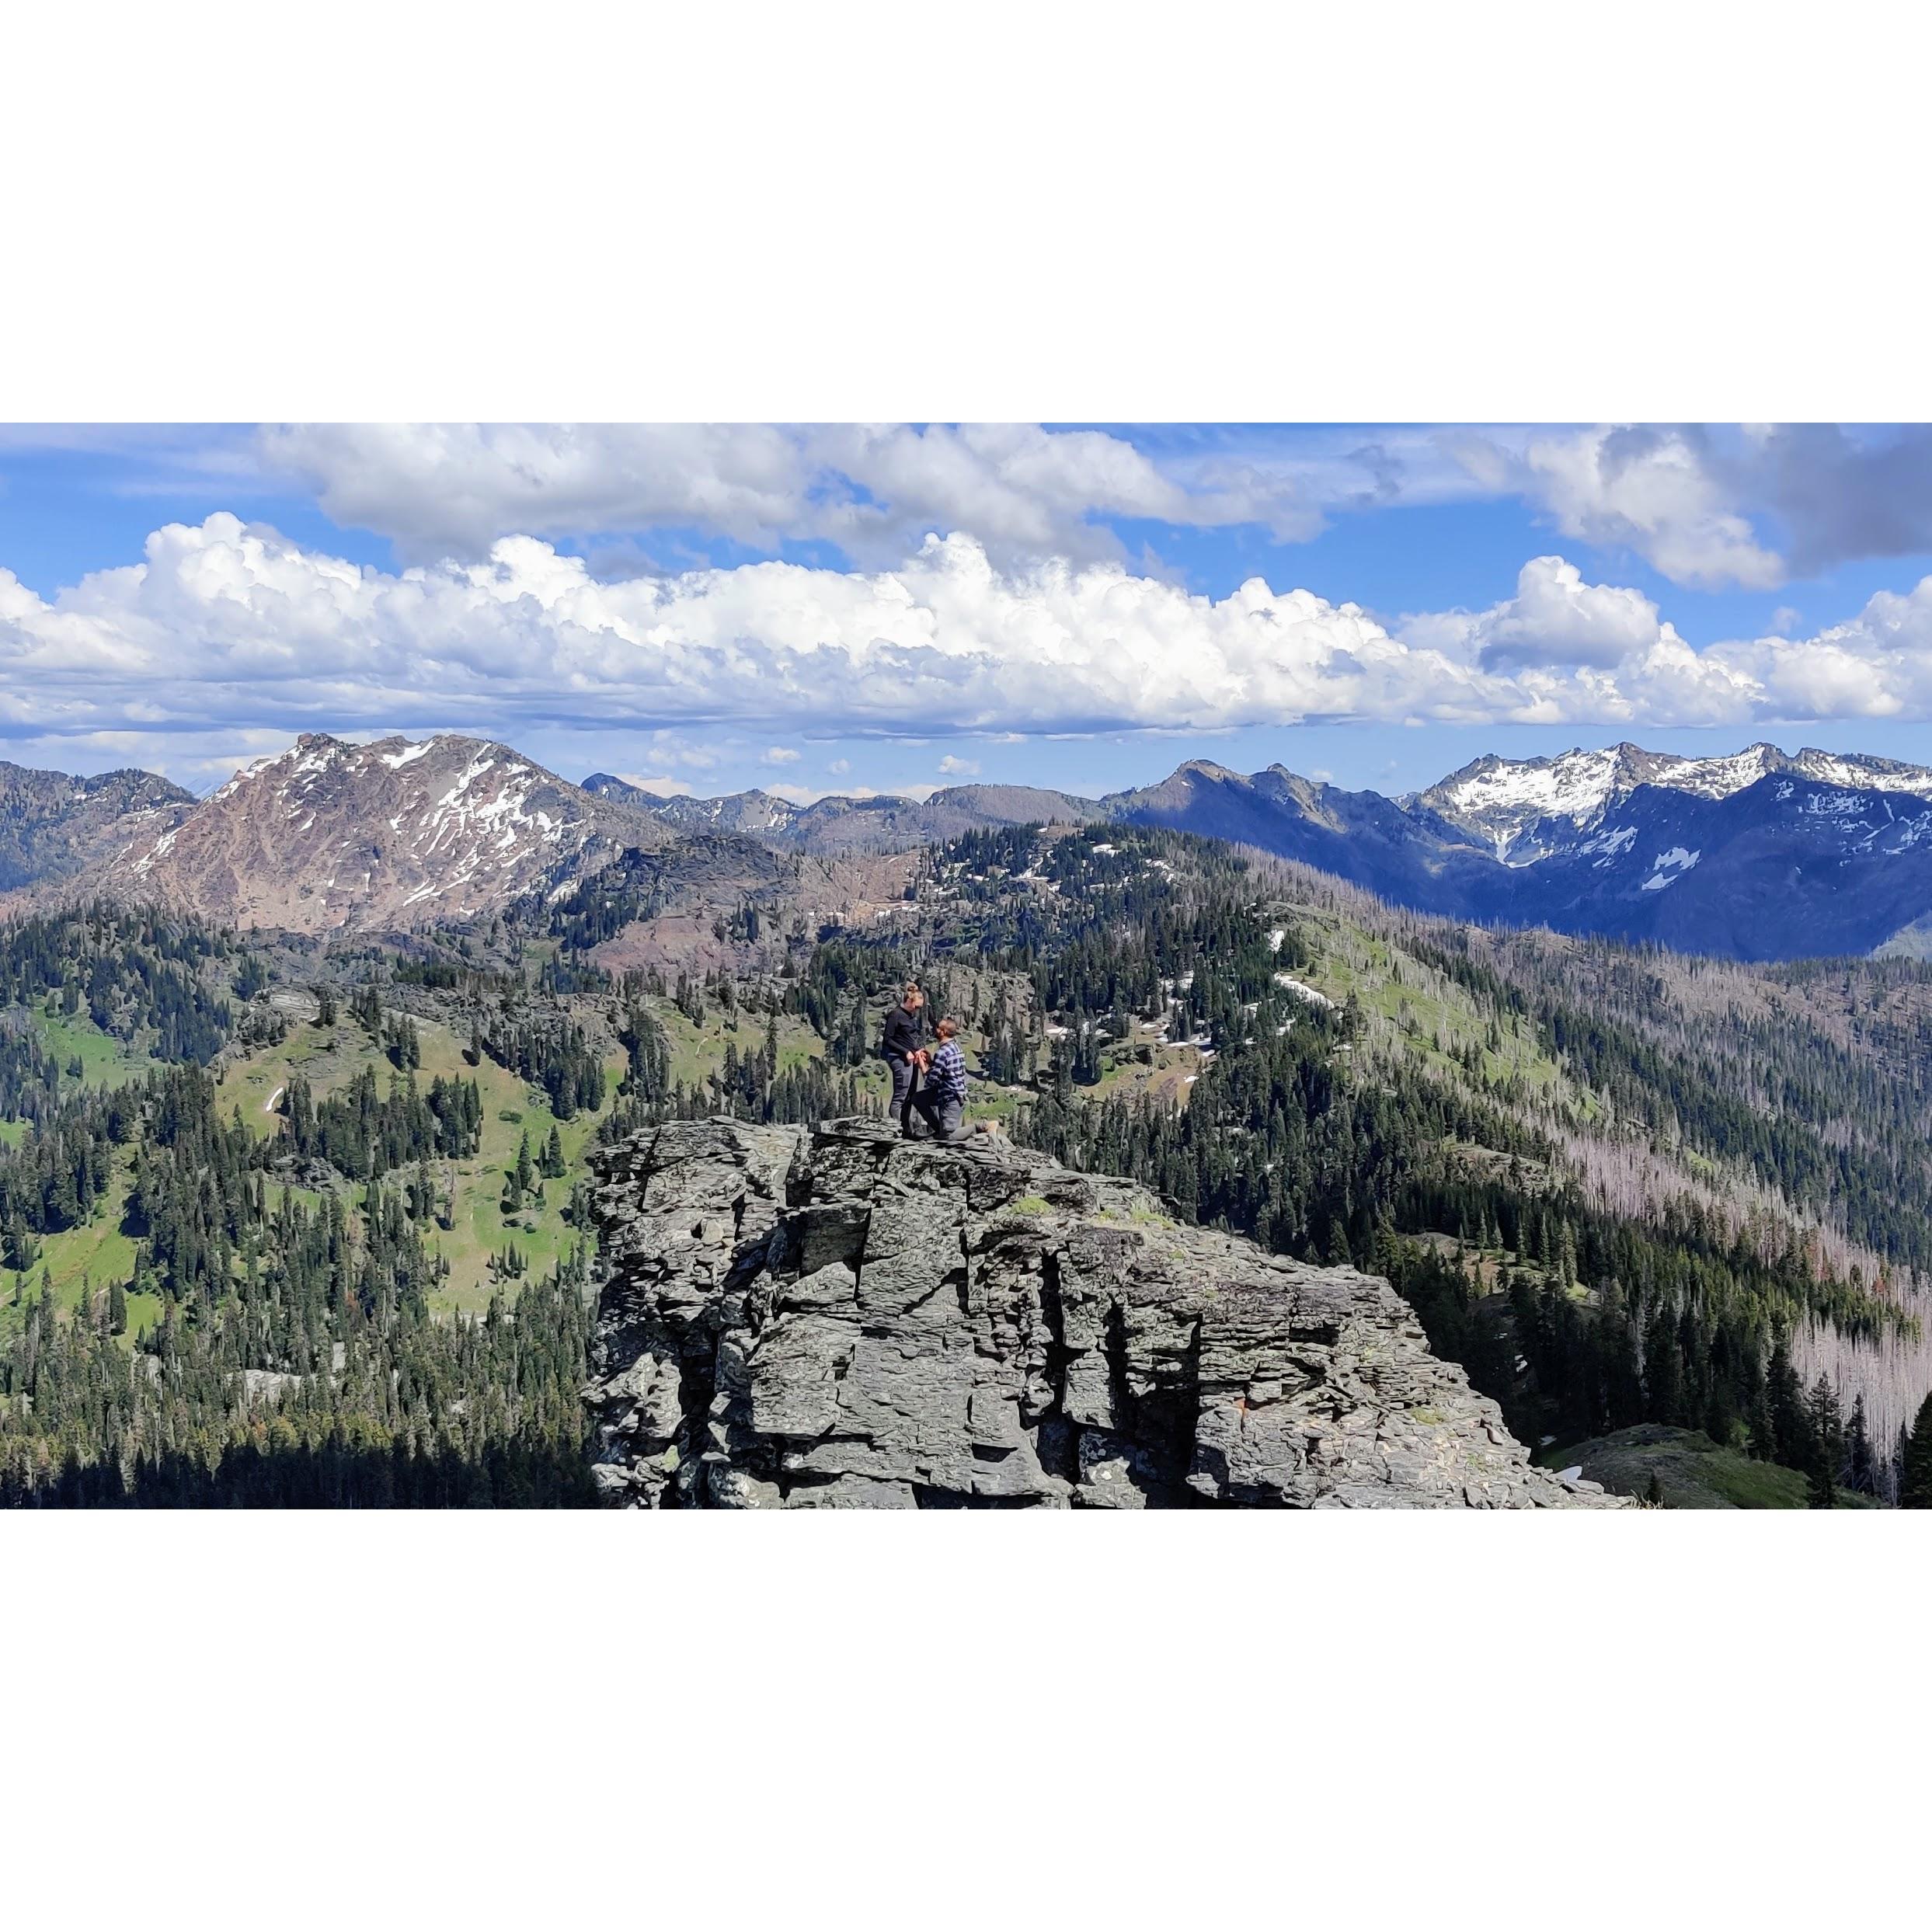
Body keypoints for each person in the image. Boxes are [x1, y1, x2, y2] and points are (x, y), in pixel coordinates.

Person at [879, 982, 928, 1137]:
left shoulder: (910, 1016)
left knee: (910, 1095)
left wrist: (916, 1050)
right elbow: (888, 1039)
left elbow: (908, 1037)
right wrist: (905, 1051)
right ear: (909, 1001)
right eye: (917, 1006)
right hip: (899, 1059)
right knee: (900, 1095)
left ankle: (907, 1130)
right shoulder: (896, 1015)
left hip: (911, 1058)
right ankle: (895, 1130)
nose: (918, 1010)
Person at [913, 1016, 969, 1140]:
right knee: (918, 1099)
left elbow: (931, 1082)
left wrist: (923, 1066)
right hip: (954, 1094)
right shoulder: (956, 1047)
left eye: (938, 1028)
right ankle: (939, 1130)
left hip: (950, 1098)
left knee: (948, 1137)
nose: (935, 1029)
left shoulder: (942, 1052)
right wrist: (931, 1062)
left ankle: (981, 1127)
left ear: (944, 1032)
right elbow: (946, 1070)